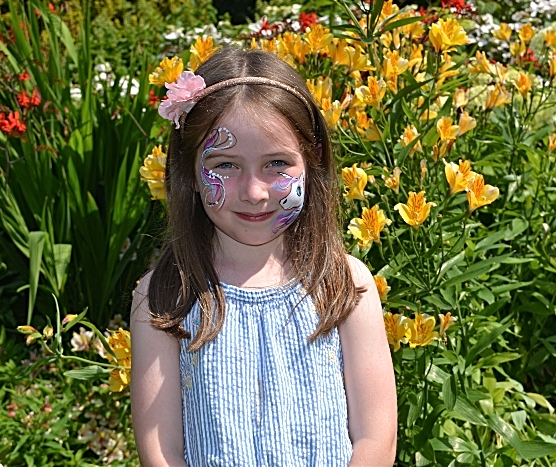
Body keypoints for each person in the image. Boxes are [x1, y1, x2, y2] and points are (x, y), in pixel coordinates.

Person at [130, 46, 397, 466]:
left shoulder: (346, 284)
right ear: (188, 173)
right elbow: (161, 454)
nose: (254, 192)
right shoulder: (165, 298)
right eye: (226, 165)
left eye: (276, 163)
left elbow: (377, 440)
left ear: (313, 162)